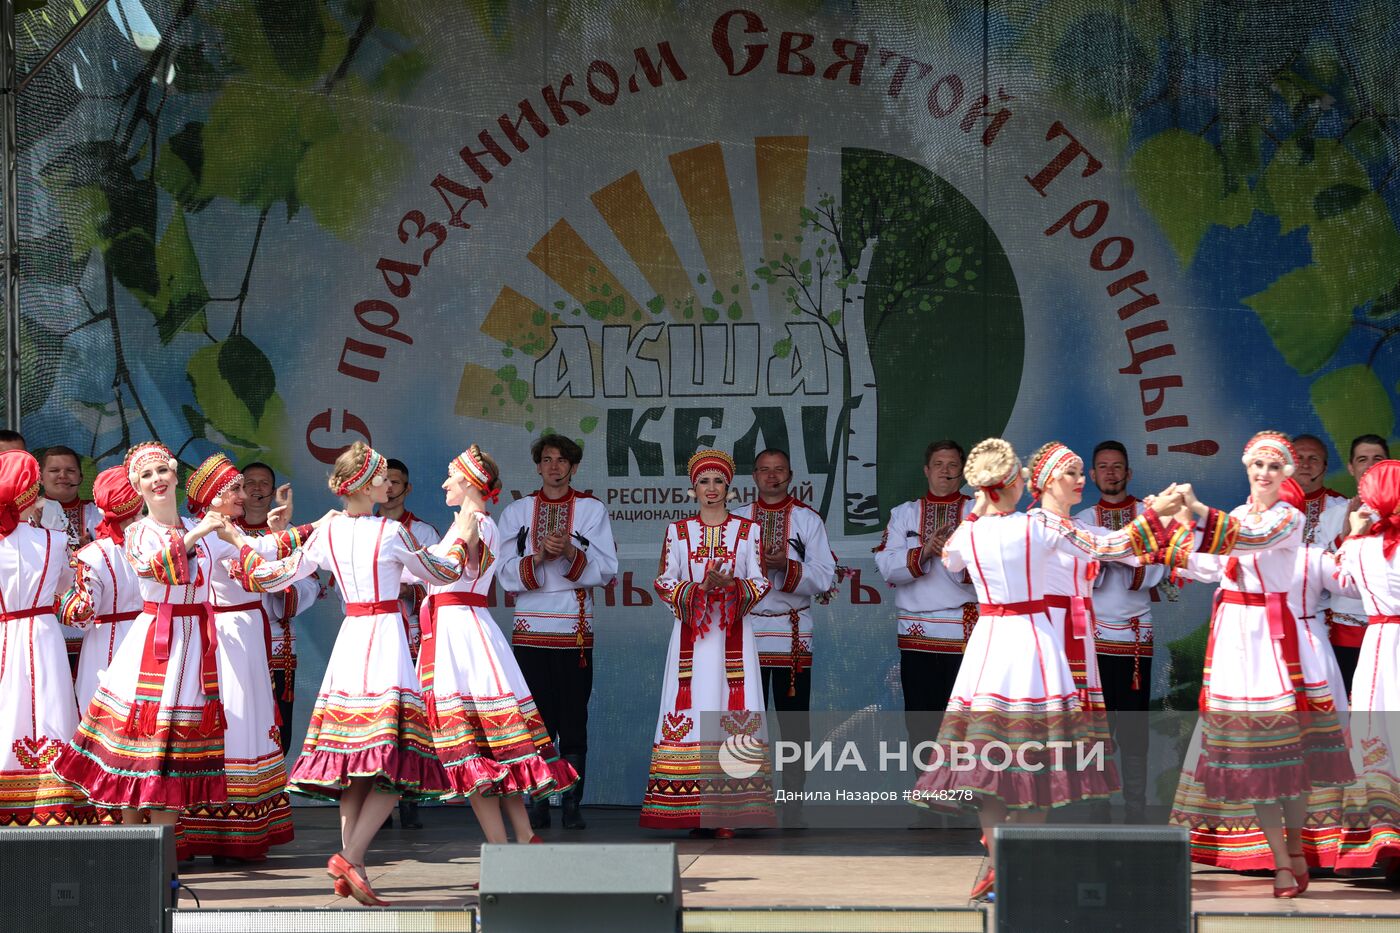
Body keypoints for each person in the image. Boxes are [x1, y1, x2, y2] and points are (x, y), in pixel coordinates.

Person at [911, 438, 1189, 900]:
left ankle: (1001, 862)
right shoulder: (1035, 529)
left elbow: (950, 558)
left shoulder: (968, 532)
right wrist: (1156, 511)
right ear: (1016, 484)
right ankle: (1017, 866)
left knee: (990, 760)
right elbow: (1115, 542)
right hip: (1032, 644)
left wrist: (979, 507)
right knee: (1035, 763)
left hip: (987, 648)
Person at [222, 441, 475, 906]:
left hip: (350, 644)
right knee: (397, 764)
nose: (386, 483)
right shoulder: (390, 533)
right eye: (380, 477)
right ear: (362, 484)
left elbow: (273, 576)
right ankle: (352, 854)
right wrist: (463, 531)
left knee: (355, 763)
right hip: (384, 645)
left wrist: (240, 543)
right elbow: (440, 572)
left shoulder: (330, 532)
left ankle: (352, 863)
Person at [1173, 432, 1354, 898]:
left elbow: (1250, 540)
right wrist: (1172, 533)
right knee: (1252, 759)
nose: (1264, 474)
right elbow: (1213, 565)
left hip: (1268, 641)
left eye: (1274, 467)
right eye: (1257, 465)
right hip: (1234, 639)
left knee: (1285, 759)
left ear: (1287, 474)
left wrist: (1196, 511)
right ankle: (1280, 859)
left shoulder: (1289, 518)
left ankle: (1294, 849)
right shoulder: (1234, 515)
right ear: (1246, 466)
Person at [50, 442, 234, 830]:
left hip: (194, 647)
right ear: (137, 487)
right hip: (154, 644)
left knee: (175, 760)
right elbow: (152, 569)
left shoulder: (200, 530)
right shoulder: (139, 533)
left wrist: (300, 533)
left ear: (175, 475)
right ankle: (136, 854)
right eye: (146, 476)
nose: (157, 480)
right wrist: (197, 532)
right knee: (136, 749)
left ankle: (163, 856)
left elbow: (254, 560)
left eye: (162, 471)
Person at [418, 444, 577, 845]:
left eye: (450, 477)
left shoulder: (476, 523)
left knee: (472, 753)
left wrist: (400, 555)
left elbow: (452, 569)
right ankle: (521, 839)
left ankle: (505, 848)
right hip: (459, 631)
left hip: (462, 635)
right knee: (489, 753)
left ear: (469, 482)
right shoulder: (469, 522)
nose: (443, 483)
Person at [179, 454, 314, 862]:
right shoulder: (212, 533)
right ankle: (227, 829)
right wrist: (324, 528)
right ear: (213, 497)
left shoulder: (224, 530)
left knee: (252, 721)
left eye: (243, 487)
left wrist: (286, 531)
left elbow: (263, 552)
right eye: (235, 489)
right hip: (229, 637)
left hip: (247, 634)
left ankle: (237, 826)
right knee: (237, 723)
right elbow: (264, 564)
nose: (243, 495)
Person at [642, 449, 774, 837]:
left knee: (732, 709)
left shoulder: (748, 531)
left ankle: (728, 813)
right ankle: (692, 809)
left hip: (733, 636)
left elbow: (761, 581)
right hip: (692, 642)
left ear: (729, 487)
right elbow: (664, 580)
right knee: (694, 708)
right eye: (704, 481)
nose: (711, 488)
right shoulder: (677, 532)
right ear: (692, 488)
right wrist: (698, 589)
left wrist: (732, 587)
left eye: (718, 481)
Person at [496, 434, 617, 831]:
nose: (554, 466)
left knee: (573, 719)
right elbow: (503, 573)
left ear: (574, 467)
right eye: (547, 459)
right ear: (537, 465)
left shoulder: (590, 510)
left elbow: (607, 569)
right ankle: (540, 801)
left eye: (562, 460)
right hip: (530, 630)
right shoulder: (517, 511)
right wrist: (539, 556)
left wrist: (567, 552)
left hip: (574, 632)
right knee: (537, 720)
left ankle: (572, 803)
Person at [732, 447, 836, 827]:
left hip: (792, 631)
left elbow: (825, 576)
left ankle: (793, 799)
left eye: (779, 471)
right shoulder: (738, 520)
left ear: (790, 475)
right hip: (746, 630)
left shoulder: (807, 520)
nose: (771, 477)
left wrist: (786, 567)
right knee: (744, 718)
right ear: (754, 475)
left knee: (794, 721)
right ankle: (746, 797)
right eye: (764, 470)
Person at [1075, 440, 1167, 823]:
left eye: (1117, 466)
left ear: (1128, 473)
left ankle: (1135, 807)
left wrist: (1110, 554)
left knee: (1132, 725)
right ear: (1093, 475)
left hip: (1133, 639)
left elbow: (1158, 566)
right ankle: (1097, 807)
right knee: (1095, 725)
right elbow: (1077, 572)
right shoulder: (1081, 518)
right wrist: (1124, 554)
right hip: (1094, 637)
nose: (1110, 473)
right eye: (1103, 467)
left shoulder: (1150, 515)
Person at [0, 450, 90, 826]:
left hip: (4, 630)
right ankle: (55, 802)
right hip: (44, 632)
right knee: (50, 703)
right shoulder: (54, 540)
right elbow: (68, 587)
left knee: (8, 706)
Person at [873, 441, 977, 741]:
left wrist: (954, 555)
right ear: (926, 470)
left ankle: (961, 789)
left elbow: (994, 569)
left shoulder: (977, 513)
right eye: (938, 465)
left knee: (962, 723)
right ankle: (927, 787)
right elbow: (886, 564)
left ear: (963, 472)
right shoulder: (904, 513)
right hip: (916, 634)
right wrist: (924, 551)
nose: (945, 471)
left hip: (962, 633)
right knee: (920, 720)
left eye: (953, 465)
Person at [1333, 459, 1400, 878]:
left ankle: (1385, 840)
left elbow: (1341, 581)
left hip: (1380, 646)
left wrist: (1354, 532)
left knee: (1380, 736)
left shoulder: (1359, 548)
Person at [237, 461, 321, 757]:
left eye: (263, 483)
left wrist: (280, 585)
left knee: (277, 730)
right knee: (233, 722)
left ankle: (268, 794)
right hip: (233, 642)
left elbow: (309, 584)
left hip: (276, 645)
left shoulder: (290, 536)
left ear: (273, 492)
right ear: (238, 489)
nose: (257, 488)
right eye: (249, 482)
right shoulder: (225, 532)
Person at [378, 457, 442, 830]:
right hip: (380, 631)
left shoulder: (425, 532)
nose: (388, 488)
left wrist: (410, 587)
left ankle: (411, 797)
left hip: (413, 634)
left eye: (396, 482)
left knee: (413, 715)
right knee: (381, 715)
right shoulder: (363, 528)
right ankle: (379, 797)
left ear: (407, 488)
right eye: (383, 481)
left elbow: (438, 582)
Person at [60, 466, 144, 711]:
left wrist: (53, 593)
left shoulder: (92, 554)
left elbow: (81, 616)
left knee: (103, 715)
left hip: (106, 642)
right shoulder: (158, 542)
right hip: (150, 635)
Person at [1318, 435, 1392, 693]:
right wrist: (1346, 536)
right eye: (1362, 459)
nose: (1370, 465)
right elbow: (1324, 575)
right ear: (1351, 467)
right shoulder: (1332, 516)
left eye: (1377, 459)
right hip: (1347, 630)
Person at [38, 445, 101, 681]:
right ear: (41, 477)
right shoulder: (29, 515)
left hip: (93, 622)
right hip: (48, 620)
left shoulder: (98, 513)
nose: (63, 476)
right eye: (54, 470)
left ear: (81, 477)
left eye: (70, 470)